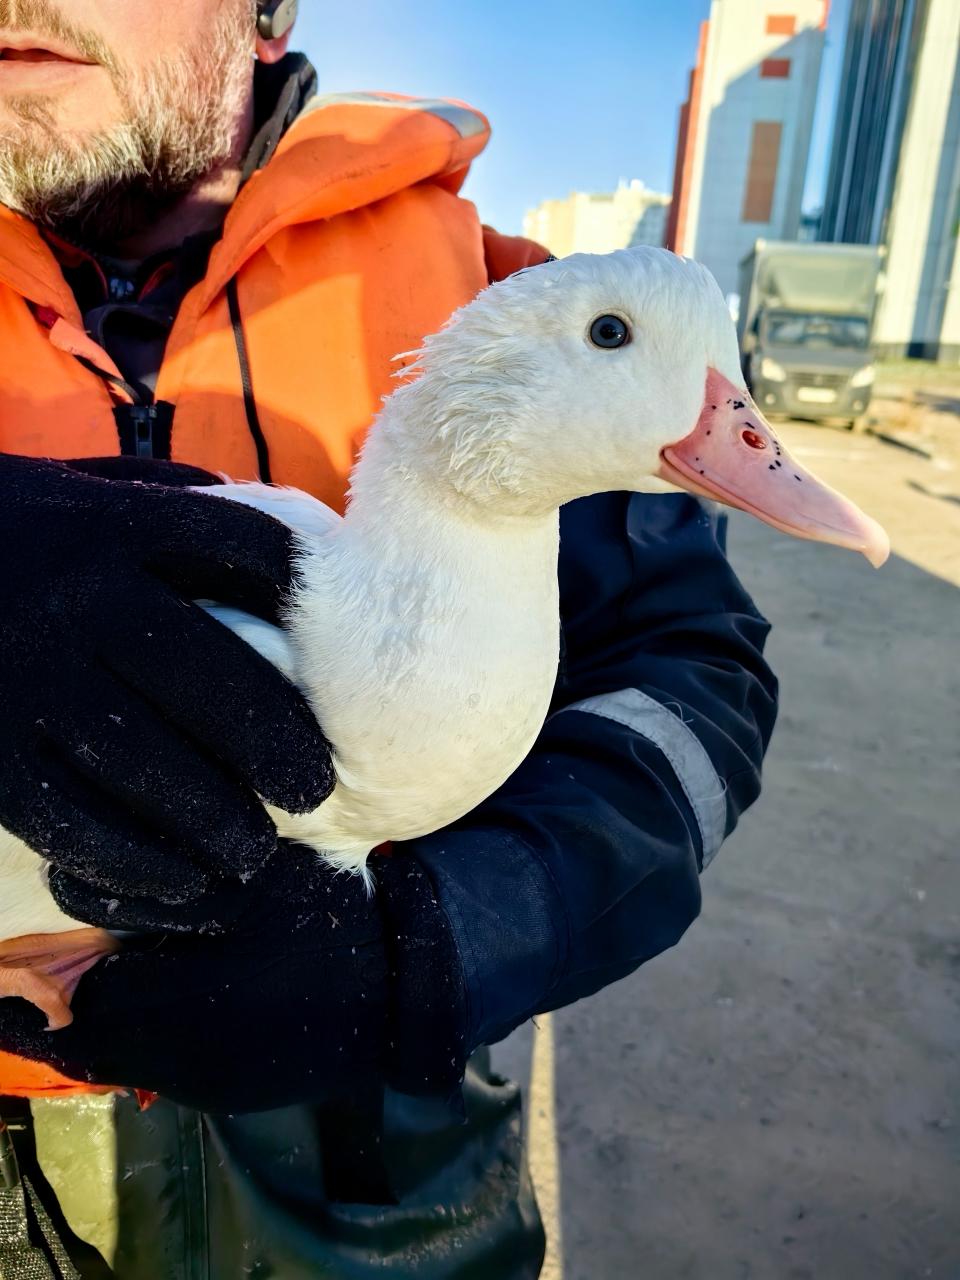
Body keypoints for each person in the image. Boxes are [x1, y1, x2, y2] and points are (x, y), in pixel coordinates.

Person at [0, 1, 778, 1275]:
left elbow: (689, 680)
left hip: (369, 1130)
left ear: (260, 13)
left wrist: (434, 943)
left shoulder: (511, 300)